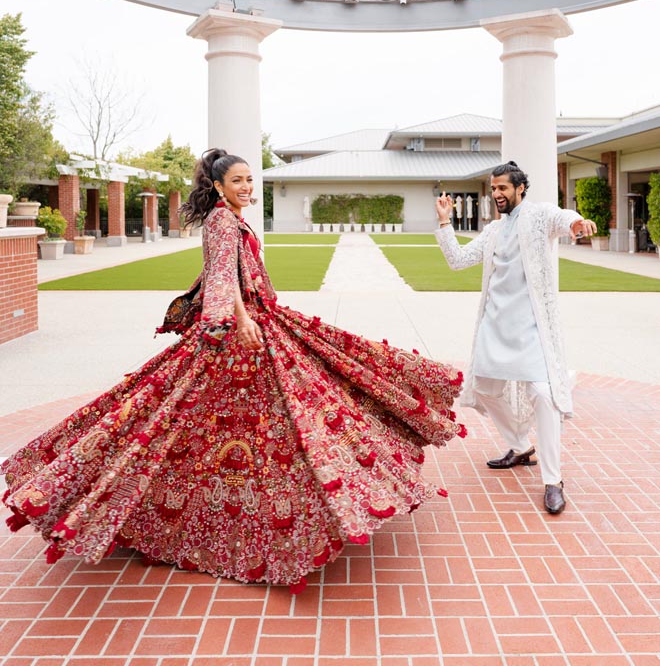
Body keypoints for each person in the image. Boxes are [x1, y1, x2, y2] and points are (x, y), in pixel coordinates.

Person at [3, 149, 465, 593]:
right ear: (219, 186)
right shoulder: (223, 220)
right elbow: (222, 276)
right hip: (241, 330)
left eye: (249, 180)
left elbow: (227, 276)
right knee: (246, 418)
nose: (246, 187)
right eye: (238, 181)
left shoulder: (231, 218)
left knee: (260, 412)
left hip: (257, 319)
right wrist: (239, 321)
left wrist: (245, 314)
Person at [434, 161, 596, 515]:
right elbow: (458, 260)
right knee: (485, 389)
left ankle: (553, 481)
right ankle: (520, 446)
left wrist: (576, 223)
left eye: (503, 188)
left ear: (520, 188)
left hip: (532, 327)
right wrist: (445, 222)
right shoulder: (493, 231)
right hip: (494, 325)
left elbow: (561, 217)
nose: (497, 195)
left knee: (543, 393)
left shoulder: (538, 217)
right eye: (493, 189)